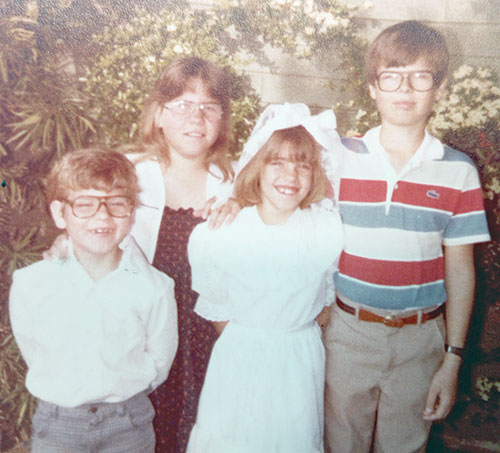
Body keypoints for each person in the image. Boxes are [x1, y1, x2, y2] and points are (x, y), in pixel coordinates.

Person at [323, 21, 491, 452]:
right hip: (347, 333)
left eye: (420, 76)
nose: (405, 89)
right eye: (391, 75)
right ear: (373, 86)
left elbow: (460, 269)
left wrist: (452, 359)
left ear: (440, 87)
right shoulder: (339, 158)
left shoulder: (458, 170)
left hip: (420, 339)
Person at [185, 103, 345, 453]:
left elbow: (326, 302)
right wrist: (258, 341)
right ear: (257, 167)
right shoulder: (224, 232)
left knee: (293, 437)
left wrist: (292, 335)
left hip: (299, 357)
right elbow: (218, 307)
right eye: (278, 163)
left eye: (303, 165)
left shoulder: (324, 229)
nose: (291, 176)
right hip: (241, 354)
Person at [9, 147, 178, 453]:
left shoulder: (154, 288)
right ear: (61, 213)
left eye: (116, 204)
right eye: (85, 204)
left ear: (132, 211)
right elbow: (33, 349)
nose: (102, 216)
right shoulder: (31, 283)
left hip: (129, 424)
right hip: (59, 424)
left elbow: (159, 361)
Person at [129, 57, 237, 453]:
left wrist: (242, 209)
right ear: (158, 115)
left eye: (210, 107)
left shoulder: (238, 183)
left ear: (222, 119)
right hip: (146, 331)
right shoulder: (130, 176)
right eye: (182, 105)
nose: (197, 117)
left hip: (208, 335)